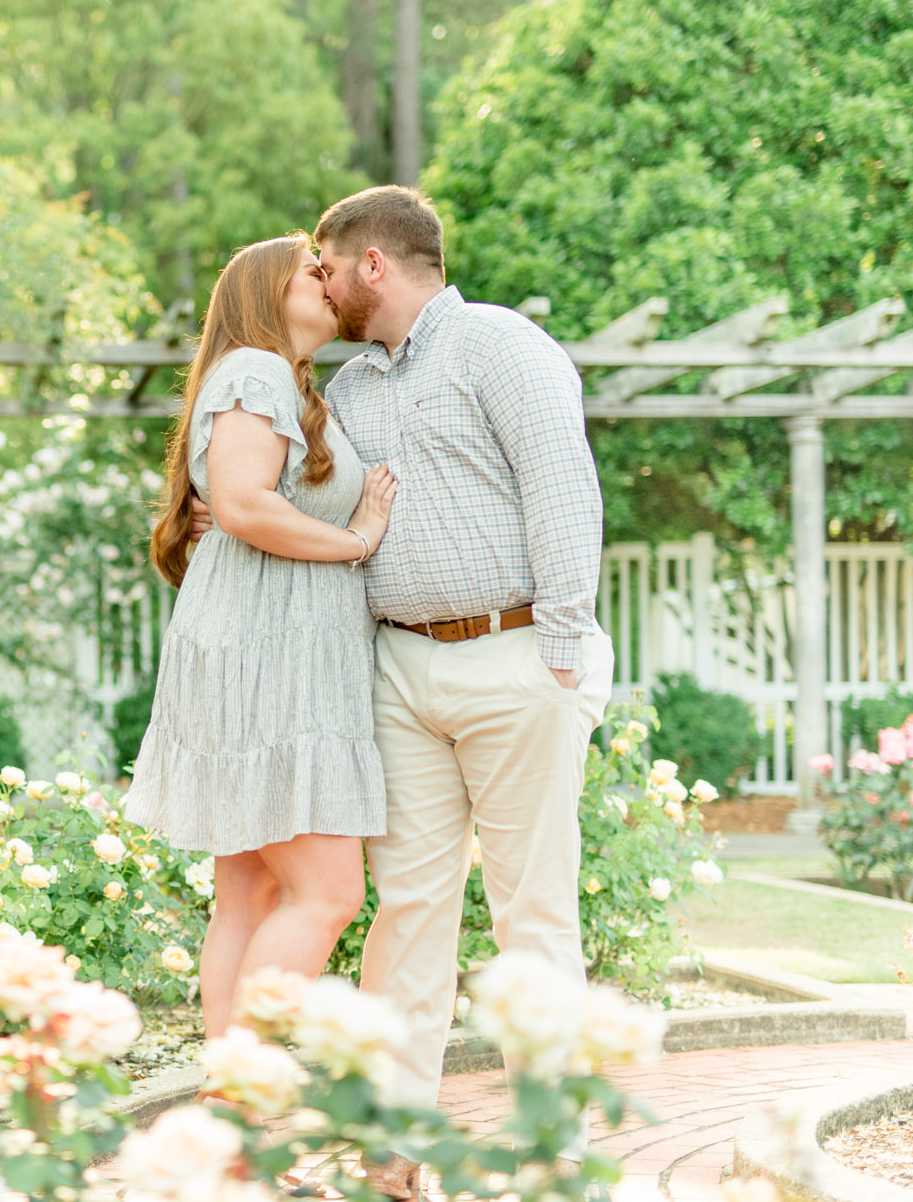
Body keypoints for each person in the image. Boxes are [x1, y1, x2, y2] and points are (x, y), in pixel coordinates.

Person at [314, 185, 611, 1199]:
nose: (319, 283)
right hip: (397, 668)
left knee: (532, 907)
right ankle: (394, 1140)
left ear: (372, 264)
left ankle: (547, 1142)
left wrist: (560, 647)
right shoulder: (348, 387)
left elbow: (561, 484)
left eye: (325, 263)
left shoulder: (498, 344)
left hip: (517, 652)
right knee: (406, 910)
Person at [126, 233, 398, 1042]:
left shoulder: (284, 382)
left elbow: (235, 498)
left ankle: (229, 1110)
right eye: (311, 271)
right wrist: (360, 537)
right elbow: (243, 503)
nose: (327, 281)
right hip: (272, 653)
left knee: (252, 894)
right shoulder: (257, 368)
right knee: (327, 893)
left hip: (263, 639)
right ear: (262, 293)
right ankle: (242, 1104)